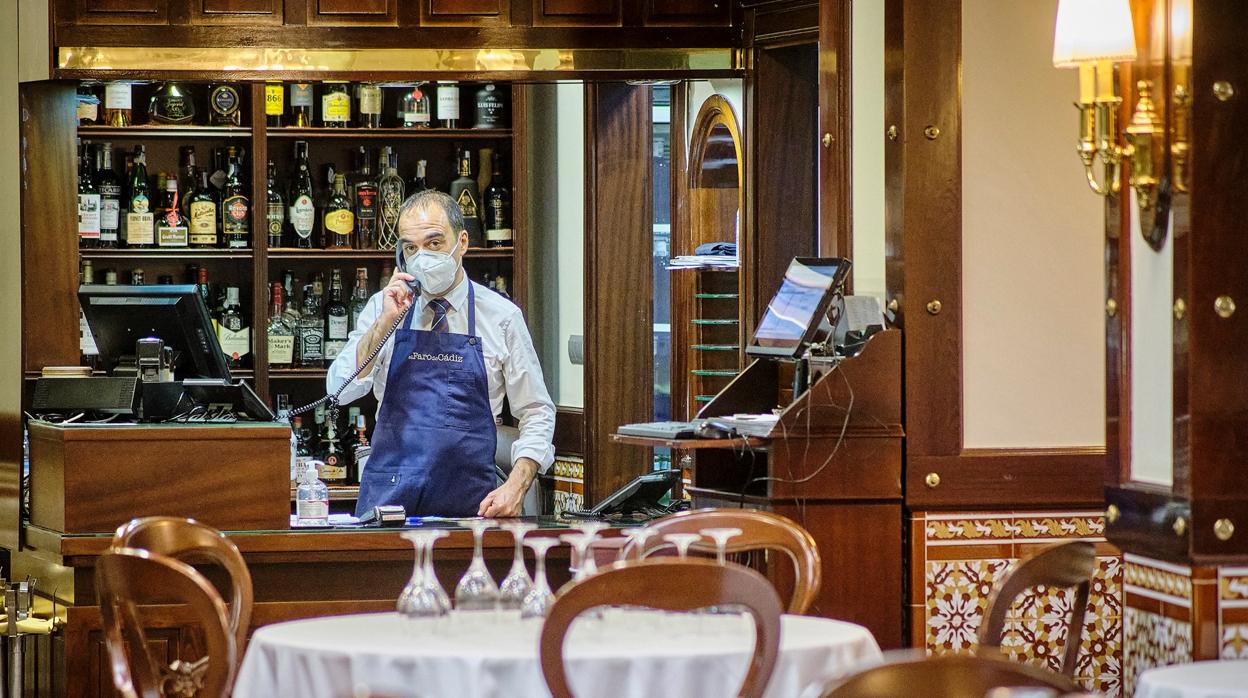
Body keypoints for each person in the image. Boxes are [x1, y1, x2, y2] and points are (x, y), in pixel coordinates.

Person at [328, 189, 555, 518]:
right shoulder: (383, 308)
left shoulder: (502, 317)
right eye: (410, 248)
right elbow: (339, 390)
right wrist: (385, 323)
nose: (422, 257)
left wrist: (516, 486)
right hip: (388, 499)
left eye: (434, 243)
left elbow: (537, 413)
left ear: (462, 242)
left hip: (472, 503)